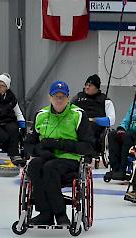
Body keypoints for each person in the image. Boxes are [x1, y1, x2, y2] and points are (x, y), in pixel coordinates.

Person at [23, 81, 94, 225]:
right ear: (50, 97)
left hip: (70, 159)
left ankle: (60, 214)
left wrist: (58, 144)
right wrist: (39, 151)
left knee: (50, 168)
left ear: (68, 98)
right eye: (56, 96)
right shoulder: (41, 115)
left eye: (62, 96)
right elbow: (28, 144)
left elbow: (88, 146)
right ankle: (45, 213)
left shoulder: (78, 115)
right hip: (46, 157)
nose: (59, 100)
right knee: (35, 165)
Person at [71, 74, 116, 154]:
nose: (87, 87)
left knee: (90, 127)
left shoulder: (105, 100)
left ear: (96, 87)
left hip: (94, 126)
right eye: (86, 85)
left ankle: (88, 151)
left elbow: (111, 120)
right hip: (77, 123)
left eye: (90, 85)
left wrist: (94, 120)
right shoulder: (77, 98)